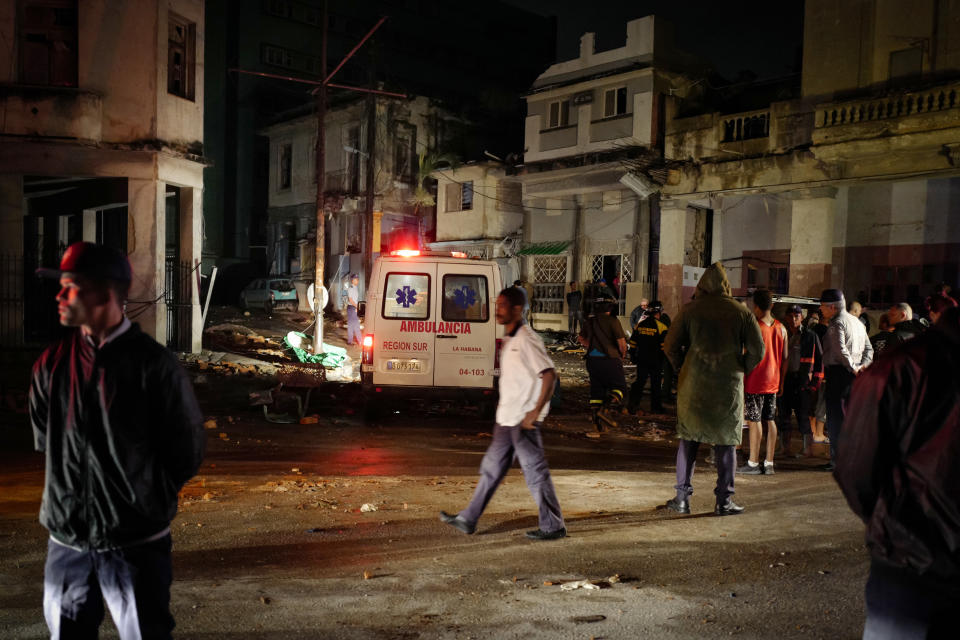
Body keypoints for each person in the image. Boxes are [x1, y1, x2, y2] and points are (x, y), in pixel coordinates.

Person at [29, 242, 205, 639]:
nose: (59, 295)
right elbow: (47, 441)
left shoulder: (154, 366)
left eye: (70, 286)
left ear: (106, 295)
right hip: (68, 544)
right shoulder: (51, 365)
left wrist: (142, 501)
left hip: (135, 546)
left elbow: (186, 450)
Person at [834, 305, 960, 639]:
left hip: (909, 574)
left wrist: (893, 519)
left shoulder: (899, 367)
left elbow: (856, 470)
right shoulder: (899, 365)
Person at [439, 287, 565, 540]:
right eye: (497, 304)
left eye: (503, 305)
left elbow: (549, 376)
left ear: (517, 309)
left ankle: (553, 526)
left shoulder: (527, 339)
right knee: (492, 469)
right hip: (506, 419)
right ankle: (468, 519)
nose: (497, 309)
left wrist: (534, 412)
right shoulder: (509, 339)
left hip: (522, 420)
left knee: (534, 472)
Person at [662, 263, 765, 516]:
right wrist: (740, 369)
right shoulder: (741, 312)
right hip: (727, 388)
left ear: (702, 285)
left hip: (693, 388)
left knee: (688, 440)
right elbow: (758, 351)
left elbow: (669, 346)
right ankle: (724, 501)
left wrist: (682, 368)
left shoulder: (690, 311)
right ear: (726, 285)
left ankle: (682, 499)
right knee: (727, 442)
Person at [820, 288, 873, 471]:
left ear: (832, 307)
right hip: (855, 376)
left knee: (836, 419)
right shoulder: (857, 322)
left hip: (839, 375)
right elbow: (869, 350)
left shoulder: (836, 323)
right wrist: (861, 367)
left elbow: (839, 350)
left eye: (822, 307)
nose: (821, 310)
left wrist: (852, 367)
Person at [738, 289, 788, 475]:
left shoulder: (754, 327)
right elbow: (786, 357)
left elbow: (745, 353)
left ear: (756, 306)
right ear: (772, 305)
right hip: (773, 381)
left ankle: (753, 462)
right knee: (770, 419)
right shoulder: (782, 328)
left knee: (754, 420)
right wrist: (781, 381)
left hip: (755, 380)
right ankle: (769, 463)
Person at [777, 305, 823, 458]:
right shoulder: (782, 333)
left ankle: (807, 450)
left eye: (797, 315)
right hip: (785, 379)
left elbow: (819, 361)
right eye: (791, 315)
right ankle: (785, 449)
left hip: (802, 380)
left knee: (803, 415)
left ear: (802, 317)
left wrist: (815, 383)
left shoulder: (810, 336)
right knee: (783, 414)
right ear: (786, 317)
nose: (794, 318)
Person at [578, 295, 628, 431]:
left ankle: (597, 424)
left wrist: (592, 346)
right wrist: (623, 354)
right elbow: (622, 344)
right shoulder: (613, 321)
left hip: (592, 361)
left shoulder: (590, 321)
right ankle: (605, 409)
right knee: (620, 388)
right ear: (611, 307)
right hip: (609, 360)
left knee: (596, 392)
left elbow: (581, 338)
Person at [626, 300, 668, 414]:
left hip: (642, 359)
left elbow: (633, 343)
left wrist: (633, 356)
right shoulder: (662, 327)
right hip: (655, 360)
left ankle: (633, 405)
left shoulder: (640, 325)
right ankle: (655, 407)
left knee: (640, 382)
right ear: (658, 312)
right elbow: (663, 347)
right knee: (656, 384)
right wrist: (663, 360)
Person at [346, 273, 361, 346]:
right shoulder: (350, 288)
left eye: (357, 279)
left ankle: (353, 341)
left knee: (355, 325)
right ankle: (357, 341)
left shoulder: (355, 288)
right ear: (352, 280)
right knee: (354, 325)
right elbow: (351, 300)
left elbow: (355, 299)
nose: (357, 280)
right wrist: (357, 307)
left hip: (354, 307)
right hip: (352, 307)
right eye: (356, 279)